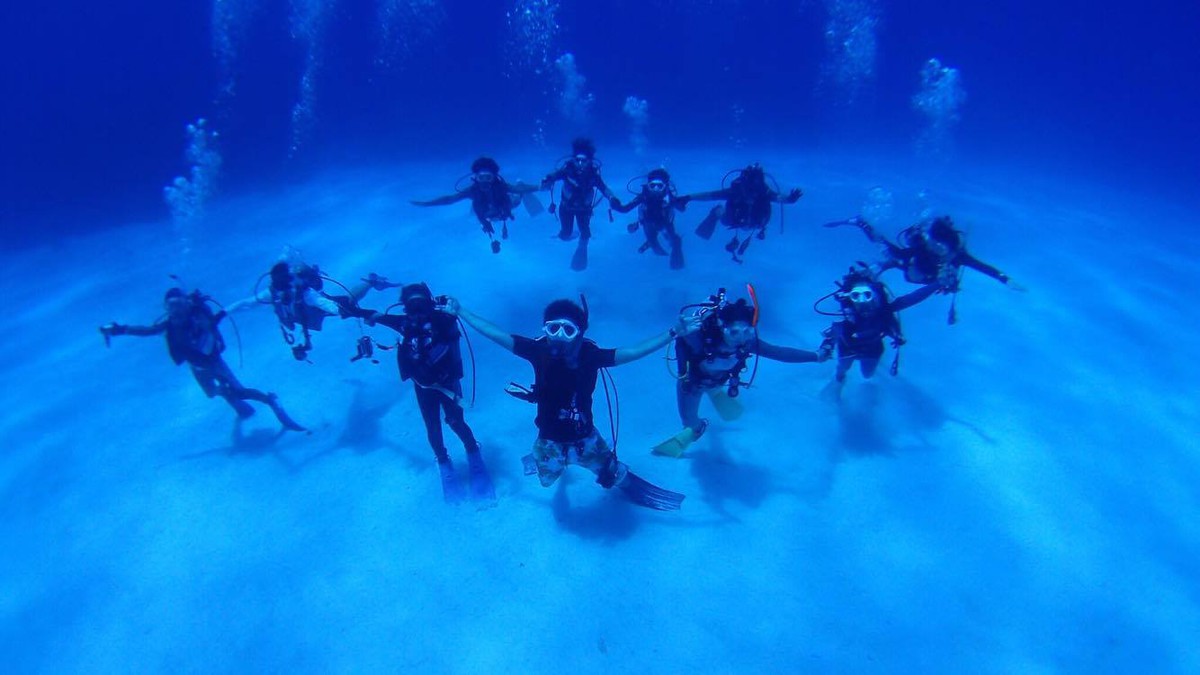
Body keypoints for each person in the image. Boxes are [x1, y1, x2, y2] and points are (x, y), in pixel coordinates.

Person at [442, 294, 697, 510]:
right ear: (545, 329)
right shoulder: (538, 351)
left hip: (585, 437)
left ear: (580, 332)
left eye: (568, 330)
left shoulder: (590, 356)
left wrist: (673, 333)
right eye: (553, 329)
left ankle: (623, 481)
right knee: (547, 480)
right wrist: (461, 311)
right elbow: (496, 334)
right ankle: (540, 458)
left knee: (611, 474)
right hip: (549, 438)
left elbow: (632, 352)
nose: (560, 337)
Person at [344, 283, 493, 503]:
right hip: (424, 388)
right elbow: (369, 313)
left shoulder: (445, 320)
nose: (418, 312)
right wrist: (351, 309)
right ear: (405, 308)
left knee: (455, 422)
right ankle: (443, 462)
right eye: (412, 307)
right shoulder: (404, 324)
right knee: (432, 427)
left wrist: (452, 307)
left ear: (430, 304)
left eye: (421, 306)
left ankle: (473, 453)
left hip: (448, 385)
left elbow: (455, 312)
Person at [654, 288, 829, 457]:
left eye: (747, 331)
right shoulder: (699, 339)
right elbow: (679, 336)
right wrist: (680, 331)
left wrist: (815, 356)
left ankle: (714, 391)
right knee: (689, 423)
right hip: (693, 384)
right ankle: (700, 426)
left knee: (717, 379)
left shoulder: (747, 343)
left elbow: (779, 353)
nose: (741, 337)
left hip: (719, 379)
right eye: (734, 332)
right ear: (722, 326)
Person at [99, 287, 305, 431]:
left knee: (240, 391)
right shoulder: (170, 324)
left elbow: (210, 329)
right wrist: (120, 329)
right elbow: (148, 331)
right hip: (196, 367)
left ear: (186, 303)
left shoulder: (198, 317)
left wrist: (201, 325)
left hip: (214, 363)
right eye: (170, 306)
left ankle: (270, 400)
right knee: (212, 393)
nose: (175, 311)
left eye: (178, 305)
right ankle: (229, 395)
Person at [830, 214, 1020, 320]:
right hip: (909, 267)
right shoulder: (918, 251)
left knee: (897, 260)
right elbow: (885, 245)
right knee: (886, 250)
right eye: (936, 246)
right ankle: (860, 222)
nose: (940, 251)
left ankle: (885, 263)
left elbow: (984, 268)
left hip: (925, 276)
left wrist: (1006, 280)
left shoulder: (957, 255)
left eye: (943, 248)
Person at [229, 257, 400, 361]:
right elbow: (246, 303)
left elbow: (324, 303)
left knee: (349, 301)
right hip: (303, 314)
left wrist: (342, 310)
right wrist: (223, 313)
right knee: (349, 302)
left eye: (284, 289)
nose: (282, 294)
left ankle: (371, 282)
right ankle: (370, 283)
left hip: (313, 310)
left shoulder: (305, 293)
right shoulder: (271, 293)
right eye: (279, 289)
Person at [815, 267, 929, 398]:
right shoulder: (844, 316)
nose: (862, 301)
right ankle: (838, 380)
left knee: (867, 374)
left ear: (874, 295)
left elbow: (909, 301)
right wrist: (825, 348)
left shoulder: (883, 311)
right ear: (849, 297)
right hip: (848, 349)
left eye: (867, 294)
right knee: (842, 368)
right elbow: (833, 334)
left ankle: (842, 380)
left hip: (872, 349)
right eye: (856, 296)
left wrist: (897, 335)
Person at [411, 156, 543, 254]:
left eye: (488, 177)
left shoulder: (501, 187)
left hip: (504, 206)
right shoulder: (472, 190)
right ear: (476, 178)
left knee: (517, 199)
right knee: (479, 212)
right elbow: (450, 199)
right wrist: (428, 204)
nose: (485, 182)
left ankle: (520, 182)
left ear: (494, 178)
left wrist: (539, 187)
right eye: (481, 178)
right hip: (487, 212)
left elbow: (517, 190)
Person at [680, 163, 802, 263]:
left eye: (755, 188)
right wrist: (688, 198)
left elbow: (778, 198)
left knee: (740, 221)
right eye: (749, 188)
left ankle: (719, 213)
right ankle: (717, 212)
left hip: (756, 223)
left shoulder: (764, 193)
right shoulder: (735, 192)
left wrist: (790, 199)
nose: (752, 193)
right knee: (722, 215)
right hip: (734, 220)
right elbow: (710, 195)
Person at [540, 138, 620, 271]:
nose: (580, 164)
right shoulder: (567, 170)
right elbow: (554, 175)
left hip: (584, 210)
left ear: (590, 161)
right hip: (566, 208)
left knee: (586, 234)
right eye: (578, 160)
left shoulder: (593, 175)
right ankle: (571, 235)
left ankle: (582, 248)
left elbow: (604, 188)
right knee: (565, 235)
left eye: (584, 160)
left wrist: (612, 198)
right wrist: (547, 179)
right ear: (573, 160)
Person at [612, 168, 687, 270]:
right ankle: (652, 243)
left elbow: (682, 208)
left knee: (674, 241)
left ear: (665, 186)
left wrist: (676, 201)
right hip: (648, 222)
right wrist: (615, 205)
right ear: (648, 186)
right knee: (653, 238)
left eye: (659, 186)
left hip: (665, 222)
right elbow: (625, 209)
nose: (656, 189)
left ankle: (673, 260)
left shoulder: (668, 196)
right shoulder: (644, 196)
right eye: (653, 185)